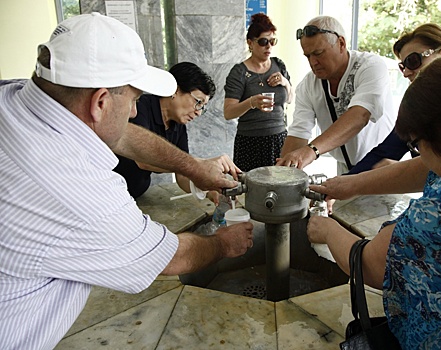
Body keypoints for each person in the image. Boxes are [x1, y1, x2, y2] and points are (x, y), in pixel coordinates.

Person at [0, 13, 254, 349]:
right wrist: (223, 243)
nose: (135, 113)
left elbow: (121, 135)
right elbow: (170, 258)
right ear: (101, 102)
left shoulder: (15, 96)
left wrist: (194, 168)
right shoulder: (78, 188)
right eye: (133, 100)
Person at [308, 53, 441, 348]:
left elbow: (373, 266)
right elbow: (434, 166)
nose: (418, 153)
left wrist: (326, 229)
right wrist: (349, 185)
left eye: (416, 144)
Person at [276, 16, 395, 175]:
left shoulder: (370, 66)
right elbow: (299, 132)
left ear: (341, 43)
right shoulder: (308, 85)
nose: (313, 62)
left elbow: (360, 115)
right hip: (346, 169)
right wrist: (282, 173)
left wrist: (311, 151)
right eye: (307, 56)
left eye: (318, 53)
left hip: (383, 167)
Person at [347, 23, 441, 175]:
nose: (407, 72)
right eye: (403, 66)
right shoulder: (416, 109)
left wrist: (402, 169)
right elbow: (385, 152)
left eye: (413, 61)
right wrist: (337, 185)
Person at [113, 61, 220, 202]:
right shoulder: (140, 108)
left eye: (202, 107)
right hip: (111, 193)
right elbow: (143, 159)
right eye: (198, 102)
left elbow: (181, 175)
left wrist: (209, 192)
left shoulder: (178, 123)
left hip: (137, 194)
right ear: (175, 90)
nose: (198, 112)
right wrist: (199, 165)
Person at [224, 13, 293, 172]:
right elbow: (228, 112)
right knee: (252, 191)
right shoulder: (239, 72)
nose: (269, 46)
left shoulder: (279, 65)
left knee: (281, 188)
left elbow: (290, 99)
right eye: (263, 42)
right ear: (250, 43)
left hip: (280, 138)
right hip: (250, 143)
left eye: (272, 41)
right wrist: (251, 102)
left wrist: (285, 83)